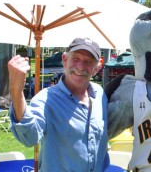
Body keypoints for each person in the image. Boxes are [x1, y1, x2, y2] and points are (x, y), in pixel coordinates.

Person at [7, 38, 109, 171]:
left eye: (88, 62)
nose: (80, 67)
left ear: (97, 67)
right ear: (65, 60)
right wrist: (16, 91)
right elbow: (28, 137)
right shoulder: (46, 99)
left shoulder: (100, 94)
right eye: (76, 59)